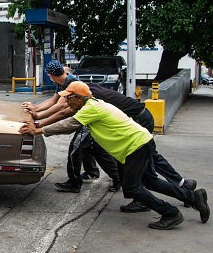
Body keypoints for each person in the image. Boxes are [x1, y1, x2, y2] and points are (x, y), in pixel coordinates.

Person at [20, 81, 209, 230]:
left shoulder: (91, 109)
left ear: (78, 98)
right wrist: (38, 120)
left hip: (136, 146)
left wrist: (38, 130)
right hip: (140, 142)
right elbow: (65, 114)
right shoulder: (93, 104)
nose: (67, 101)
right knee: (150, 181)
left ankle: (170, 213)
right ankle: (193, 198)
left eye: (68, 98)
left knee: (132, 188)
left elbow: (68, 124)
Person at [84, 83, 197, 213]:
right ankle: (183, 186)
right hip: (140, 117)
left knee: (146, 164)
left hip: (139, 120)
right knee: (149, 163)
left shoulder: (91, 98)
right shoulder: (91, 88)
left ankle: (155, 198)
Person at [23, 60, 120, 193]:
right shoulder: (63, 82)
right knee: (90, 147)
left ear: (51, 75)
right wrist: (36, 109)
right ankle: (95, 172)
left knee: (76, 147)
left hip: (87, 117)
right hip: (88, 116)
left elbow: (62, 109)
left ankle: (75, 182)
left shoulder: (71, 84)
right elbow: (53, 101)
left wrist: (38, 122)